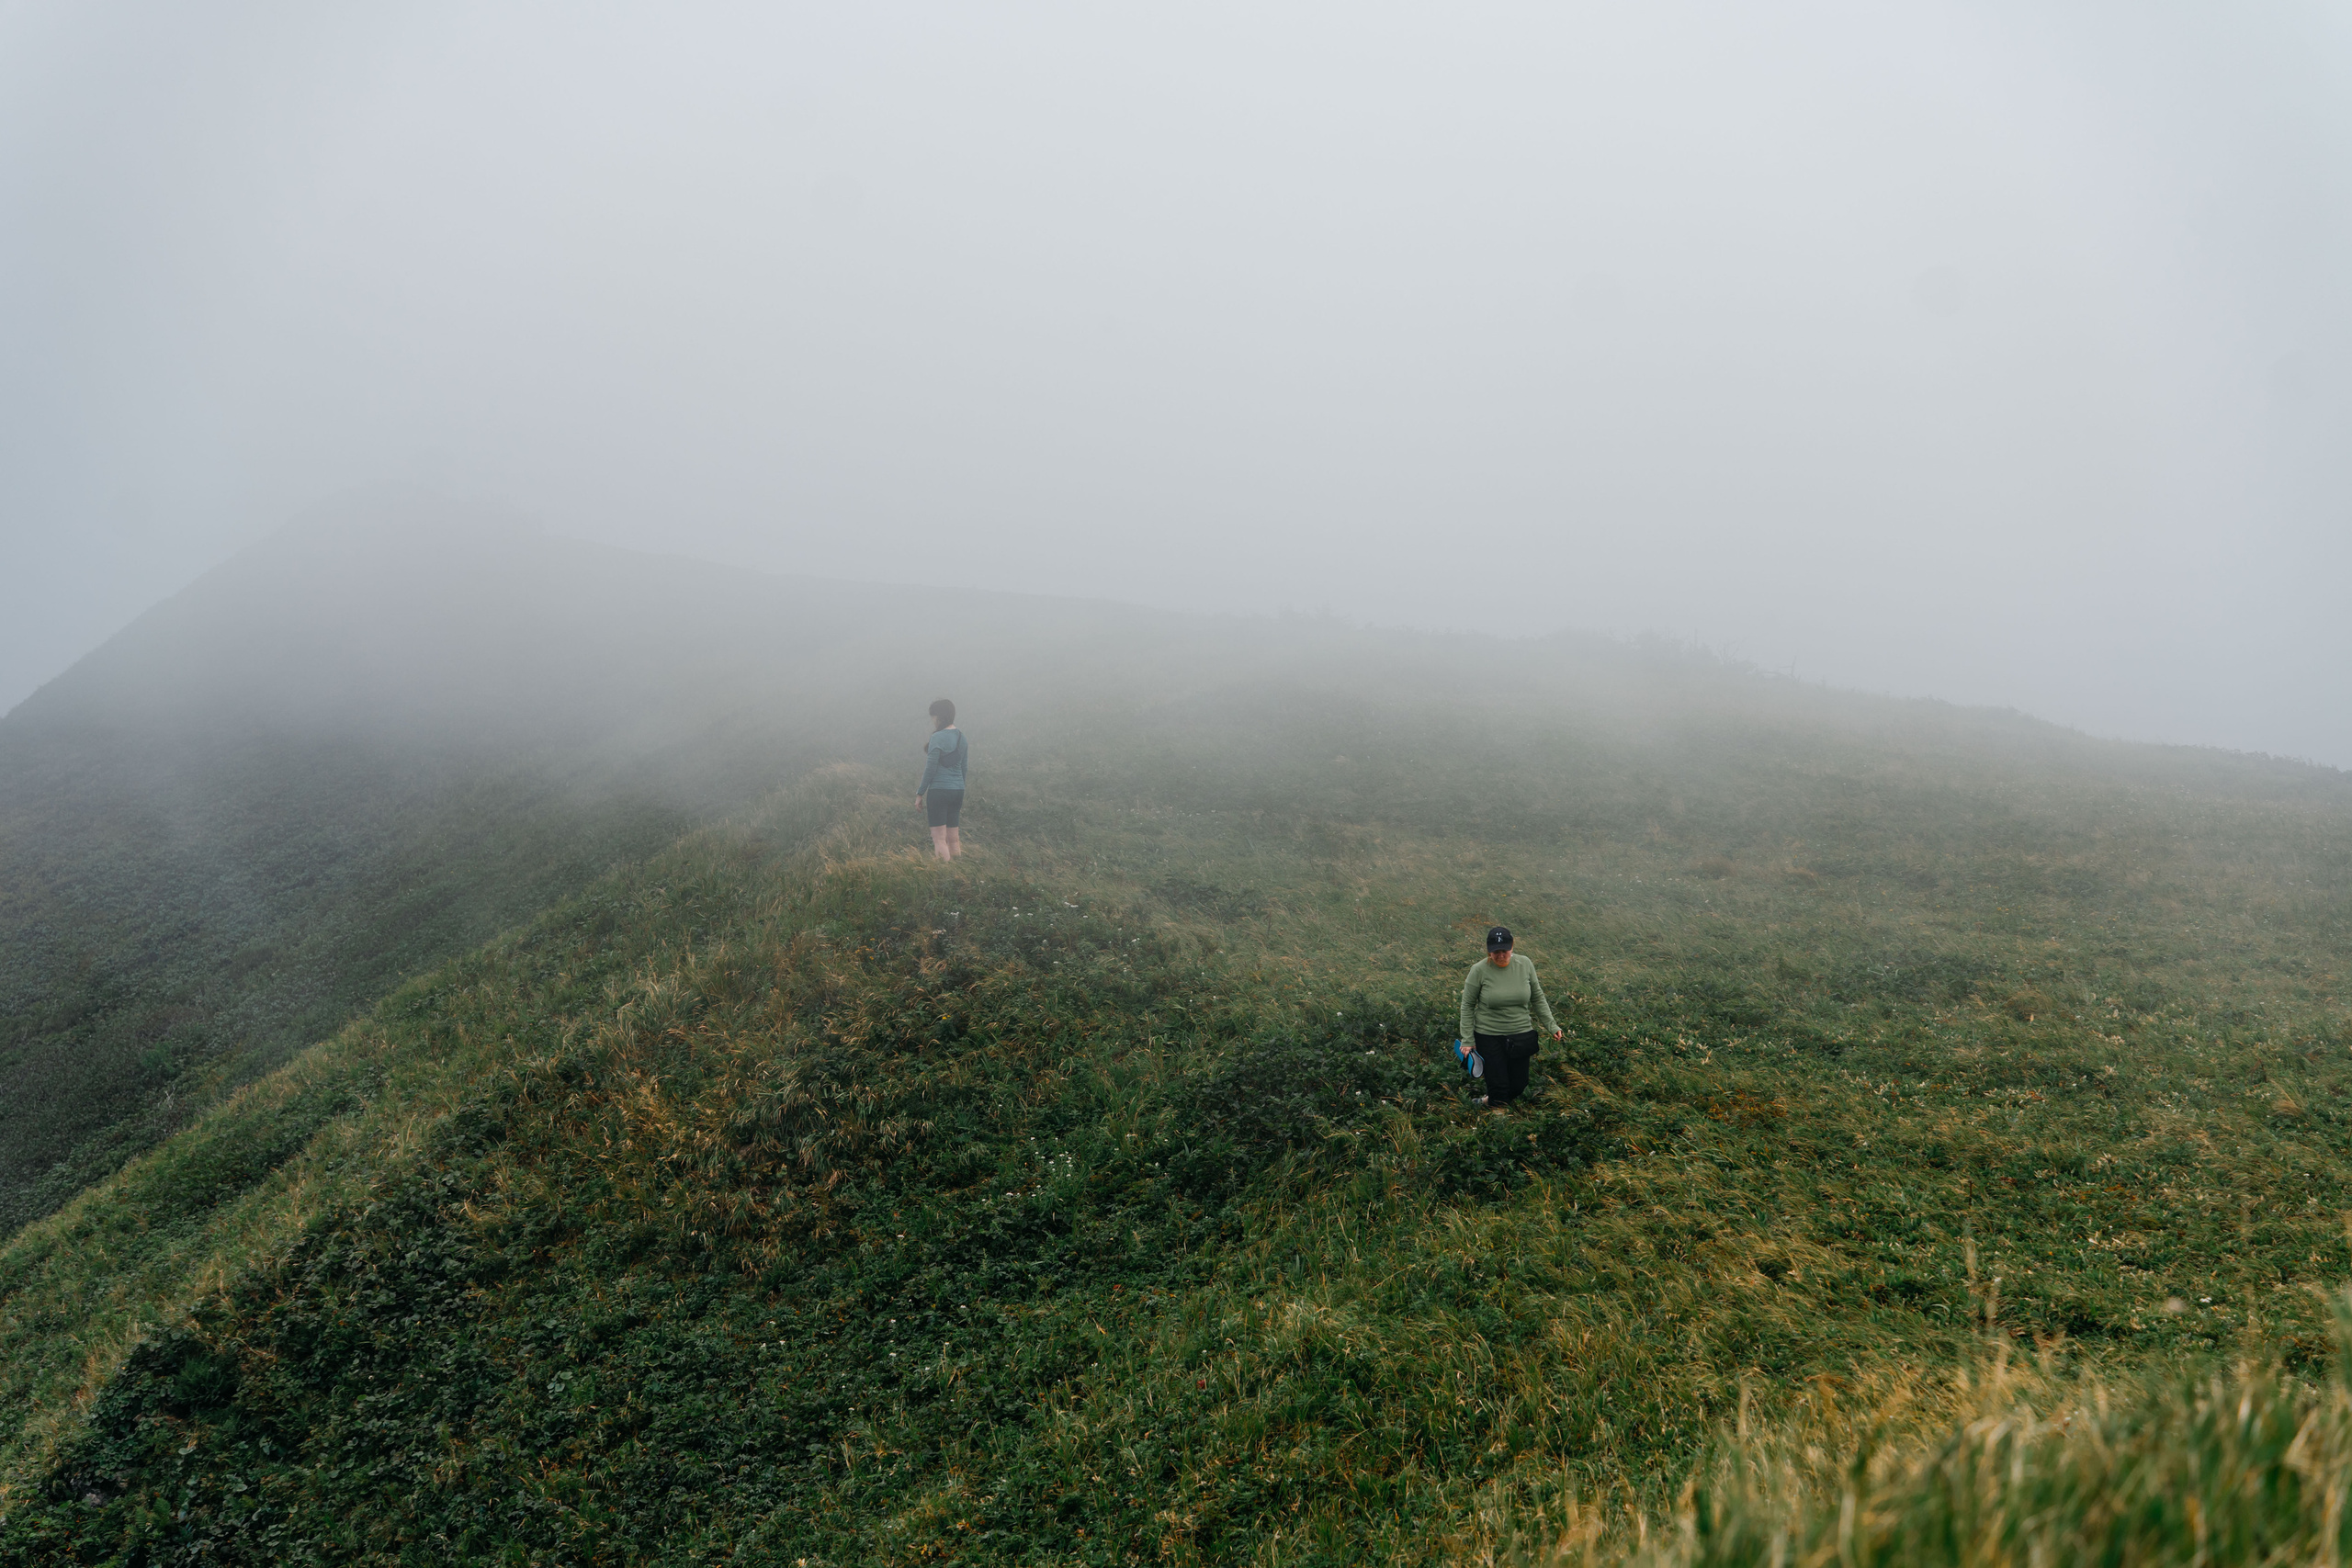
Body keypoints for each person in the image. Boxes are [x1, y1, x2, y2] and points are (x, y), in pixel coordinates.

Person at [1459, 925, 1561, 1111]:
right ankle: (1499, 1124)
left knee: (1519, 1084)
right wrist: (1467, 1039)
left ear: (1512, 946)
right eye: (1495, 952)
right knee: (1498, 1084)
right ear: (1488, 951)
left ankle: (1488, 1101)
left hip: (1520, 1034)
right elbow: (1467, 1005)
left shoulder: (1525, 964)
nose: (1500, 956)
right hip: (1488, 1035)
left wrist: (1552, 1026)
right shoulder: (1478, 970)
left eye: (1504, 950)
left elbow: (1537, 997)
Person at [916, 698, 967, 861]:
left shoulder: (937, 738)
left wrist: (920, 794)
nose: (932, 720)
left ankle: (945, 876)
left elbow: (930, 769)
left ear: (939, 716)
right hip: (958, 791)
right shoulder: (961, 737)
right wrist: (959, 787)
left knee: (939, 839)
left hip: (939, 792)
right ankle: (959, 875)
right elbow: (964, 768)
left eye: (933, 716)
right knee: (953, 839)